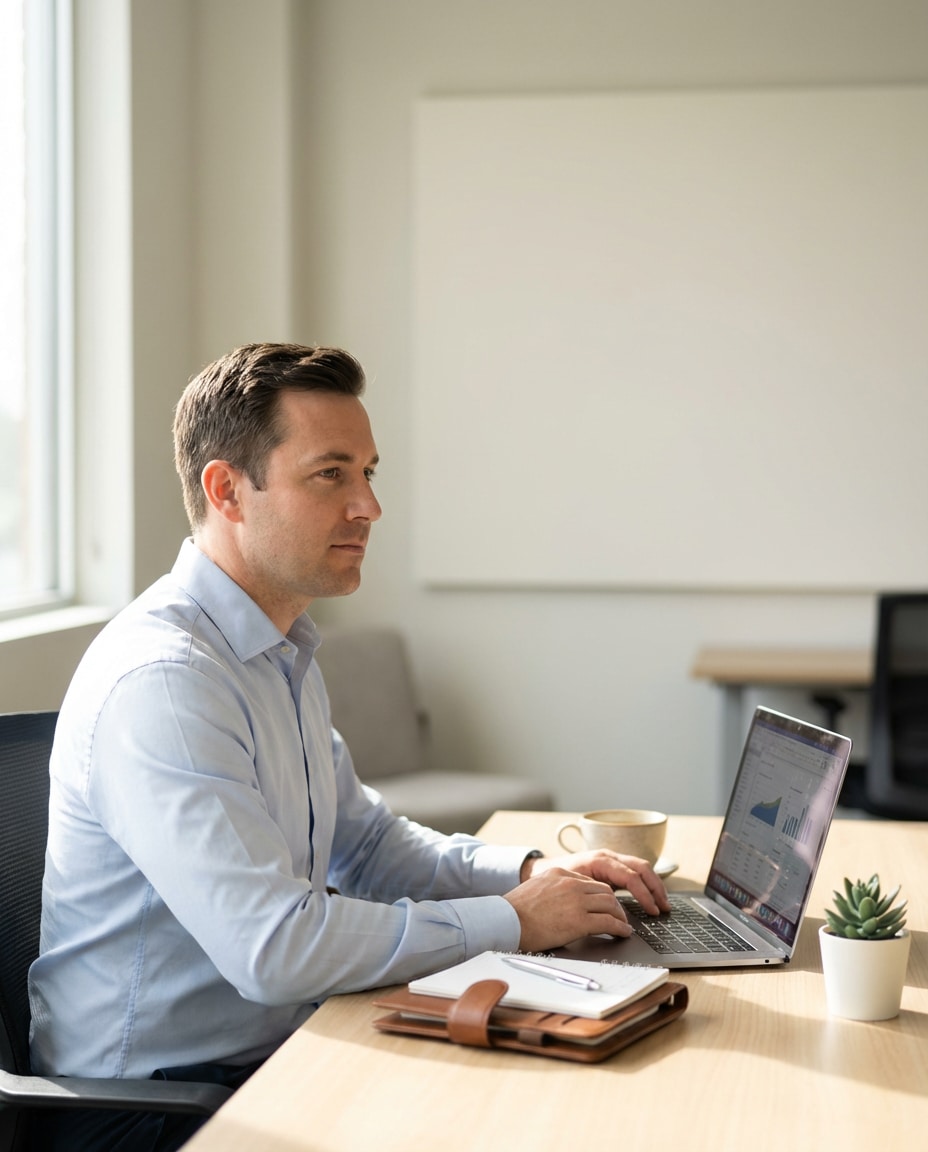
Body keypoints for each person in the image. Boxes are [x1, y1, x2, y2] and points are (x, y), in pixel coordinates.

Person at [29, 343, 669, 1150]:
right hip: (152, 1110)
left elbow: (364, 846)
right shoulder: (167, 684)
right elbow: (277, 948)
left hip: (273, 1053)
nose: (368, 506)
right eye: (331, 474)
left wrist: (533, 875)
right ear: (227, 490)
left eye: (369, 472)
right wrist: (511, 921)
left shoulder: (276, 647)